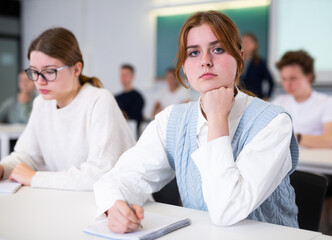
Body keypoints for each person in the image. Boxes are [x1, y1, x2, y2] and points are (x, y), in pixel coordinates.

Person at [94, 11, 299, 234]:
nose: (205, 61)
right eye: (193, 53)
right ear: (184, 66)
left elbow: (226, 211)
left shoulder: (273, 122)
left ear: (239, 60)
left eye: (218, 49)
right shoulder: (171, 120)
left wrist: (217, 119)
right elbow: (116, 180)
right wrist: (114, 208)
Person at [0, 27, 135, 190]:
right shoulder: (41, 104)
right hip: (71, 199)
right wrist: (3, 169)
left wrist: (35, 178)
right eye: (34, 72)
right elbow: (26, 156)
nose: (39, 81)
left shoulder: (99, 101)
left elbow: (99, 174)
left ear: (76, 69)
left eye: (49, 72)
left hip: (121, 206)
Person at [272, 50, 332, 149]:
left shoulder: (328, 103)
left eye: (293, 78)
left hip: (316, 161)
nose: (287, 84)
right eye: (284, 79)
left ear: (308, 77)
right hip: (286, 160)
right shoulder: (279, 102)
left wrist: (294, 138)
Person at [240, 32, 274, 100]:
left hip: (255, 98)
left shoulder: (259, 63)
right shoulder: (237, 61)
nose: (245, 44)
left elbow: (270, 81)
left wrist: (267, 96)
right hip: (240, 98)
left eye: (248, 42)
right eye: (243, 42)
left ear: (254, 45)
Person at [114, 64, 145, 129]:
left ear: (132, 76)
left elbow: (134, 117)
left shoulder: (138, 98)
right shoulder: (116, 98)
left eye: (125, 75)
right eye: (121, 75)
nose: (123, 77)